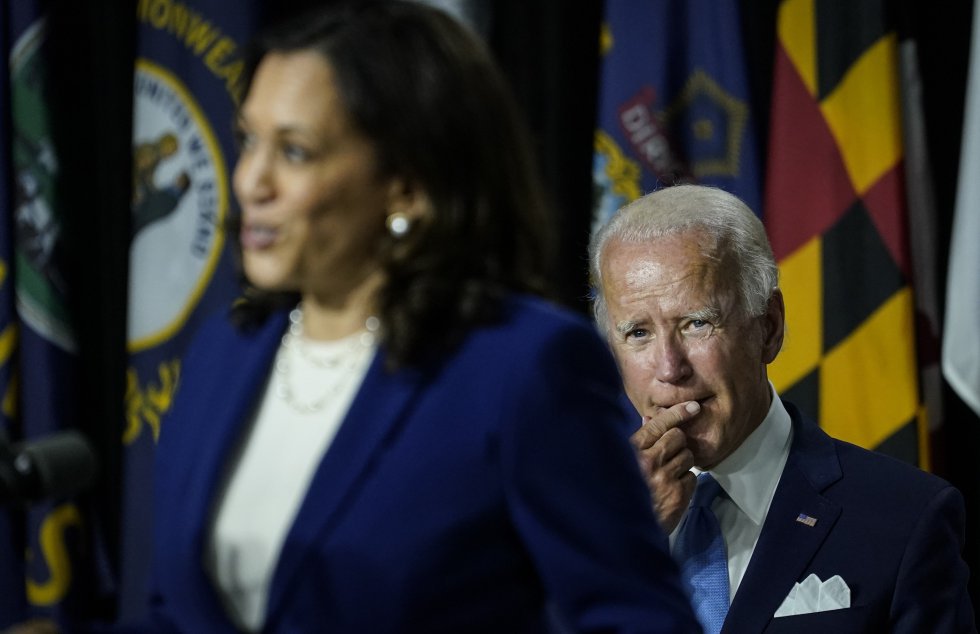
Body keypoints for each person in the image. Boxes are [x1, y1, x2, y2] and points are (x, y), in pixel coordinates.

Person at [114, 2, 699, 632]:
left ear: (407, 186)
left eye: (295, 151)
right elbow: (172, 616)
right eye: (249, 140)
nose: (252, 181)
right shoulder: (226, 351)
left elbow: (638, 619)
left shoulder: (521, 368)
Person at [589, 184, 976, 633]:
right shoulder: (575, 520)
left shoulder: (905, 517)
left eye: (697, 323)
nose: (670, 368)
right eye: (638, 333)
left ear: (769, 328)